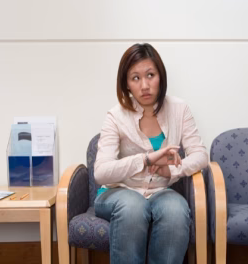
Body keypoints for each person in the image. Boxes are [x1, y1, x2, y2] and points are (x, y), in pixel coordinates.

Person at [94, 43, 208, 264]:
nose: (144, 85)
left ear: (160, 77)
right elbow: (101, 172)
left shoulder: (179, 109)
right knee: (133, 206)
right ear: (126, 83)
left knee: (176, 211)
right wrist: (145, 160)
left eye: (150, 75)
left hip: (160, 191)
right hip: (119, 192)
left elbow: (200, 155)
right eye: (135, 78)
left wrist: (173, 169)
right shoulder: (115, 116)